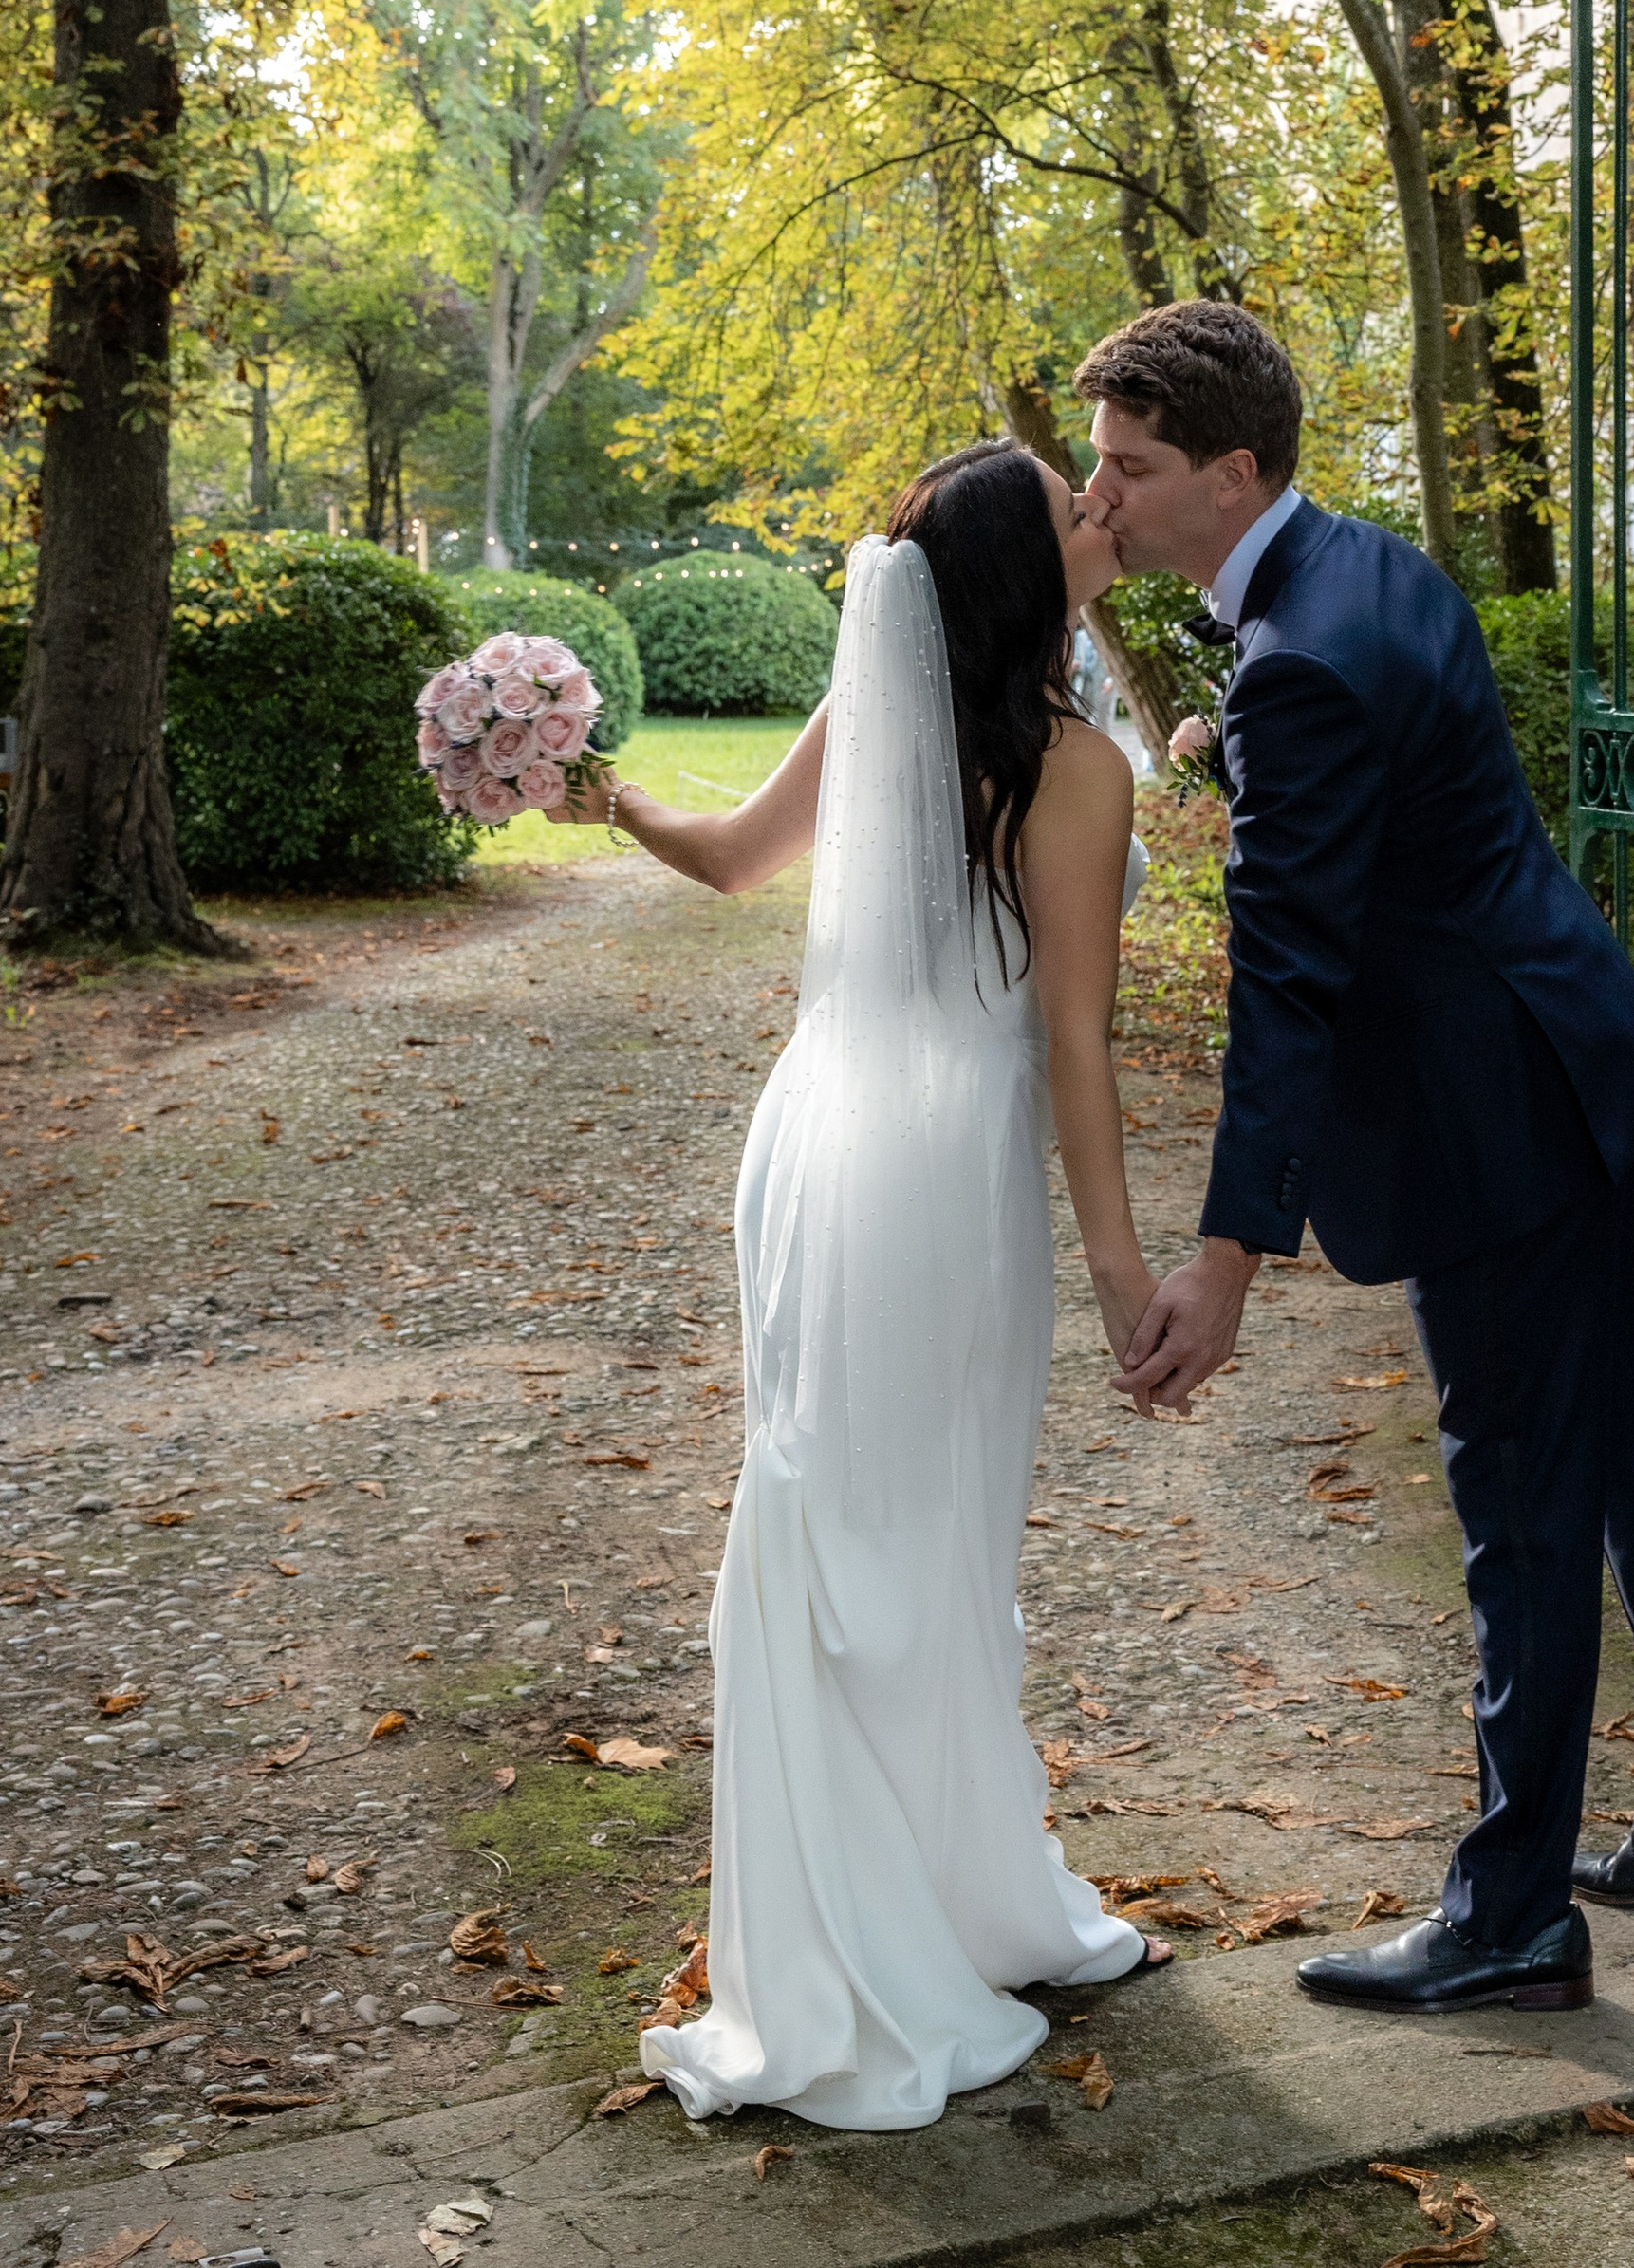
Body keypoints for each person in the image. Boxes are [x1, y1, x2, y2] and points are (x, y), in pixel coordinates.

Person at [1074, 299, 1634, 2018]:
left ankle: (1514, 1915)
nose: (1102, 502)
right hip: (1579, 1052)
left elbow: (1294, 984)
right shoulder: (1362, 569)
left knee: (1525, 1512)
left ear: (1233, 471)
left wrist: (1228, 1252)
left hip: (1497, 1124)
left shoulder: (1297, 667)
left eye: (1132, 468)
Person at [546, 450, 1169, 2130]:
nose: (1103, 512)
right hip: (944, 1169)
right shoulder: (1077, 772)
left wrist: (605, 791)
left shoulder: (885, 708)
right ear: (1018, 581)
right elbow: (1072, 1041)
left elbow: (734, 857)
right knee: (928, 1529)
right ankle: (888, 1936)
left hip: (816, 1147)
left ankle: (942, 1897)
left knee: (840, 1521)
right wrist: (1121, 1273)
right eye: (1072, 509)